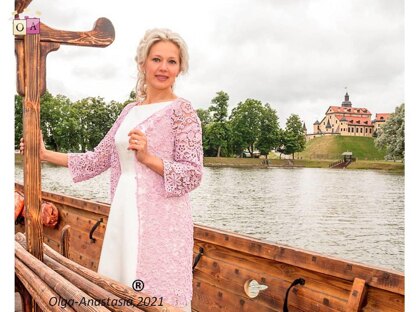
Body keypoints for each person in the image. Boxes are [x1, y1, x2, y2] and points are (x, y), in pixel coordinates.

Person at [20, 28, 203, 311]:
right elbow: (98, 159)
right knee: (121, 290)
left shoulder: (183, 111)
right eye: (156, 59)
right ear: (142, 63)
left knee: (155, 294)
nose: (163, 68)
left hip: (161, 222)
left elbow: (193, 174)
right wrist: (43, 154)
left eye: (172, 61)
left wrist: (148, 158)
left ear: (180, 68)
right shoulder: (129, 111)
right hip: (124, 211)